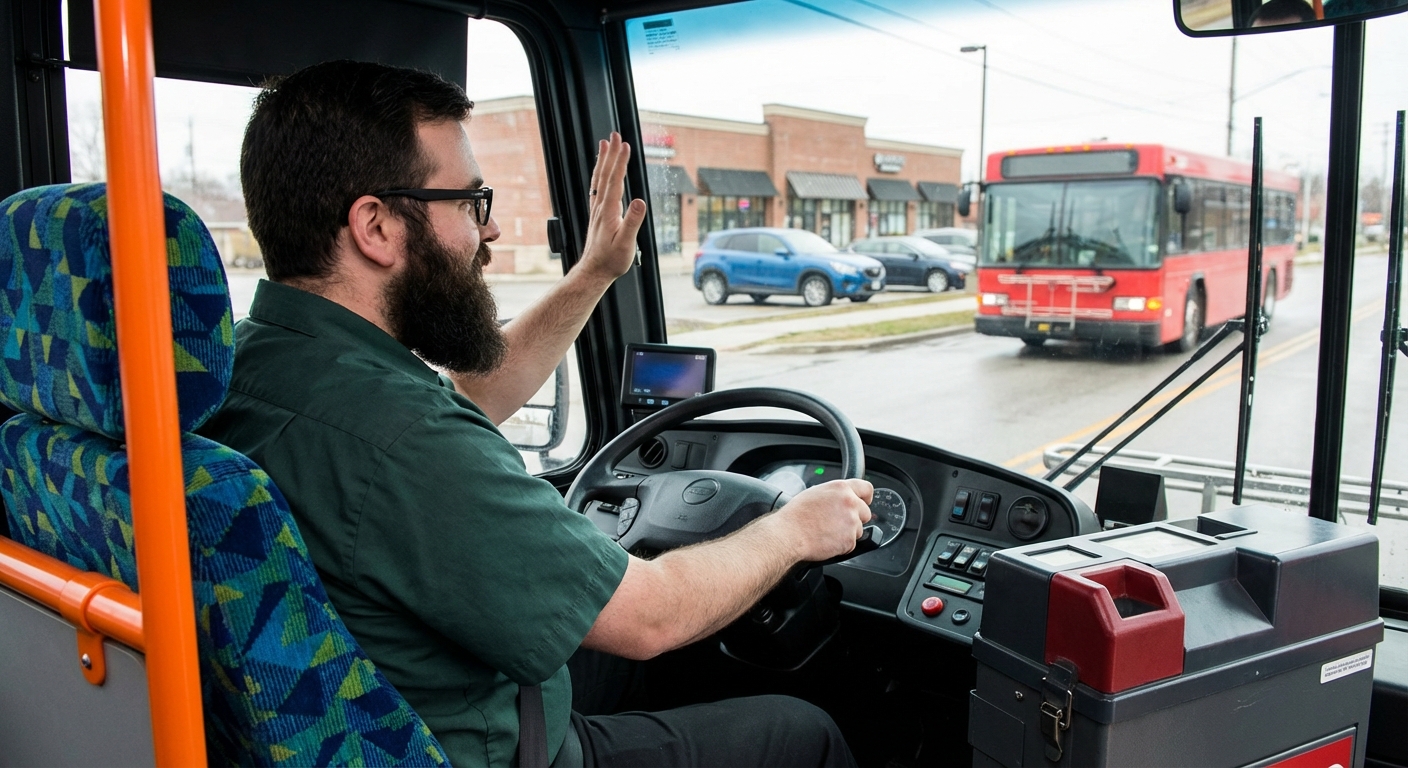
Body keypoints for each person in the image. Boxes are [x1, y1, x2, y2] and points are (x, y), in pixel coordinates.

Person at [199, 60, 874, 768]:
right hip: (501, 752)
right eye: (468, 202)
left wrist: (595, 273)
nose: (486, 234)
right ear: (376, 226)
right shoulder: (405, 443)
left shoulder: (252, 369)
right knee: (802, 733)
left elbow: (461, 401)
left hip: (384, 717)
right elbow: (653, 614)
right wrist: (796, 527)